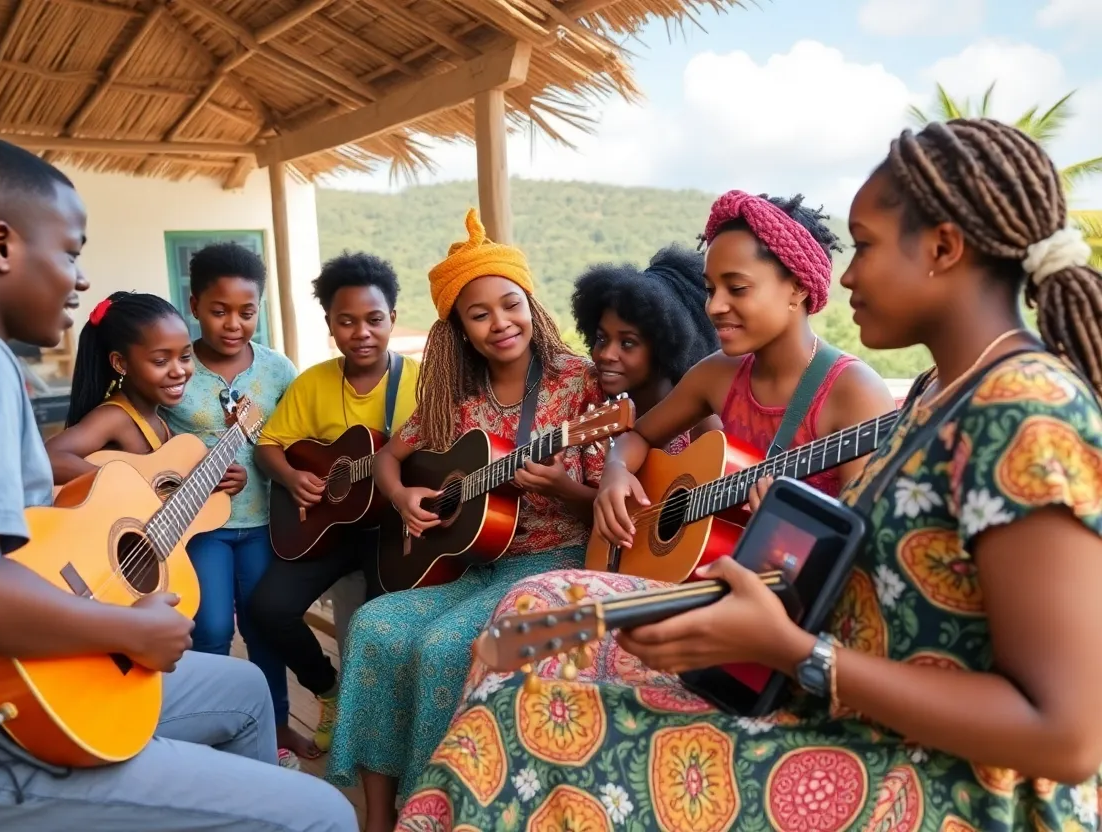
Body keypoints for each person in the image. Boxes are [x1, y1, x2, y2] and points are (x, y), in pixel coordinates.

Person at [395, 118, 1102, 832]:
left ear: (943, 249)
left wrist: (790, 650)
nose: (844, 276)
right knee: (540, 607)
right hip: (825, 682)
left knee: (525, 725)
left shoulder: (1026, 411)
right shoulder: (939, 395)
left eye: (863, 246)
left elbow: (1069, 738)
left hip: (932, 772)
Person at [0, 136, 355, 830]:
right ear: (0, 245)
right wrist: (128, 628)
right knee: (323, 815)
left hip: (0, 682)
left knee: (245, 690)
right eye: (70, 252)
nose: (80, 280)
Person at [325, 209, 606, 832]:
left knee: (442, 646)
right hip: (478, 565)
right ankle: (379, 817)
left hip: (555, 565)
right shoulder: (456, 395)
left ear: (531, 305)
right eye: (479, 315)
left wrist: (564, 487)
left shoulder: (577, 386)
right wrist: (402, 497)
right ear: (459, 330)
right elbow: (388, 458)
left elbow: (606, 506)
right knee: (373, 625)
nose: (500, 323)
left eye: (511, 305)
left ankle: (434, 813)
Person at [593, 191, 898, 551]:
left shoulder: (854, 391)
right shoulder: (717, 374)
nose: (715, 306)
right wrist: (616, 469)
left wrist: (794, 525)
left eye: (737, 288)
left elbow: (866, 541)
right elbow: (639, 436)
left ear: (798, 287)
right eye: (710, 289)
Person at [250, 251, 421, 761]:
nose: (361, 332)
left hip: (392, 527)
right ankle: (327, 690)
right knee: (267, 608)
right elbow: (268, 444)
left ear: (392, 318)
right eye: (346, 321)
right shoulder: (314, 382)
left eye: (374, 319)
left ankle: (384, 731)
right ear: (330, 324)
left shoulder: (422, 383)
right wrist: (291, 476)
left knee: (379, 628)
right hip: (328, 526)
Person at [161, 242, 300, 759]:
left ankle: (276, 724)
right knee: (212, 626)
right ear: (194, 305)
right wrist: (192, 472)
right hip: (201, 529)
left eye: (247, 311)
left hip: (263, 523)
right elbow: (151, 442)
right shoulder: (177, 369)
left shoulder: (277, 370)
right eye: (219, 311)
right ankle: (212, 731)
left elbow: (292, 439)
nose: (234, 324)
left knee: (264, 628)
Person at [44, 291, 245, 497]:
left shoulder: (158, 420)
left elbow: (165, 493)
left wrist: (224, 477)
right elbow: (48, 458)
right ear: (121, 363)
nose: (178, 371)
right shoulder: (114, 417)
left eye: (185, 356)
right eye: (160, 361)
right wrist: (123, 484)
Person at [572, 242, 722, 448]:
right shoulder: (594, 410)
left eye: (627, 343)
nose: (606, 354)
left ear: (663, 347)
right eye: (602, 339)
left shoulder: (702, 425)